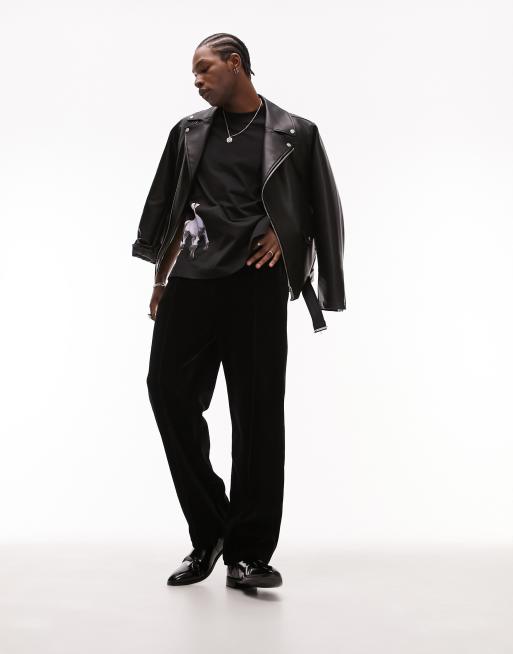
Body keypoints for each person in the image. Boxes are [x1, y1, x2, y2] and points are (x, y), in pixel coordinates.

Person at [132, 32, 346, 590]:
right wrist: (161, 276)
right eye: (194, 73)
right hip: (191, 280)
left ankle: (249, 554)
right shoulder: (188, 131)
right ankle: (211, 529)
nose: (197, 80)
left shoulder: (295, 132)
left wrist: (286, 234)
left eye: (204, 68)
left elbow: (321, 207)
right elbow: (169, 205)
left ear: (236, 64)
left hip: (255, 284)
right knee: (167, 391)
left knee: (257, 415)